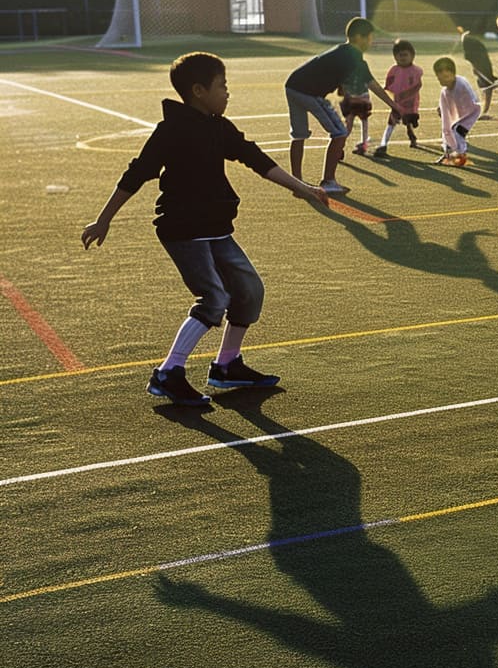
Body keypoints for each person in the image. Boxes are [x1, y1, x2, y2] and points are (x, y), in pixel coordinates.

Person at [80, 51, 329, 406]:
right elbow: (138, 172)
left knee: (249, 291)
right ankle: (169, 373)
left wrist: (301, 188)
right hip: (182, 230)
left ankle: (226, 366)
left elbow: (255, 158)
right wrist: (103, 219)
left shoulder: (219, 127)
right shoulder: (172, 130)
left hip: (215, 228)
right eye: (222, 86)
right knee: (214, 298)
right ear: (198, 90)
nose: (228, 92)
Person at [284, 16, 400, 194]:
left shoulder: (343, 51)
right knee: (339, 133)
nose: (371, 41)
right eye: (369, 37)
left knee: (299, 135)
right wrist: (394, 105)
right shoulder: (354, 57)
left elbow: (338, 77)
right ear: (359, 37)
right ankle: (328, 181)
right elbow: (372, 84)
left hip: (292, 85)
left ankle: (296, 184)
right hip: (308, 91)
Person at [374, 38, 423, 157]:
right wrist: (390, 90)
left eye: (405, 55)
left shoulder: (415, 71)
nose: (403, 58)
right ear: (395, 57)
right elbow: (389, 82)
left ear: (412, 55)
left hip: (410, 104)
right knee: (391, 122)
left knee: (408, 122)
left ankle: (411, 135)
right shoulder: (394, 70)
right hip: (397, 103)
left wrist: (406, 94)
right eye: (399, 55)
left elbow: (418, 85)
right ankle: (383, 145)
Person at [431, 56, 481, 167]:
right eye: (440, 78)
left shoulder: (461, 84)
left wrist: (460, 117)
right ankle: (448, 154)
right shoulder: (444, 91)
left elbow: (472, 101)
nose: (444, 80)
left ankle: (461, 154)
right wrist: (441, 109)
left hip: (471, 112)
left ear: (453, 74)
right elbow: (444, 107)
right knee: (447, 129)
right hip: (458, 113)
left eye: (446, 76)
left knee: (457, 131)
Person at [458, 23, 498, 118]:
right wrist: (475, 68)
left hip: (483, 65)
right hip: (481, 66)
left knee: (487, 88)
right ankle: (482, 112)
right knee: (487, 88)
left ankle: (483, 111)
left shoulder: (469, 38)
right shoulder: (468, 38)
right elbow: (469, 56)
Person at [338, 82, 372, 156]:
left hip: (354, 97)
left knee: (349, 125)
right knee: (363, 123)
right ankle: (363, 145)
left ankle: (339, 147)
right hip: (361, 96)